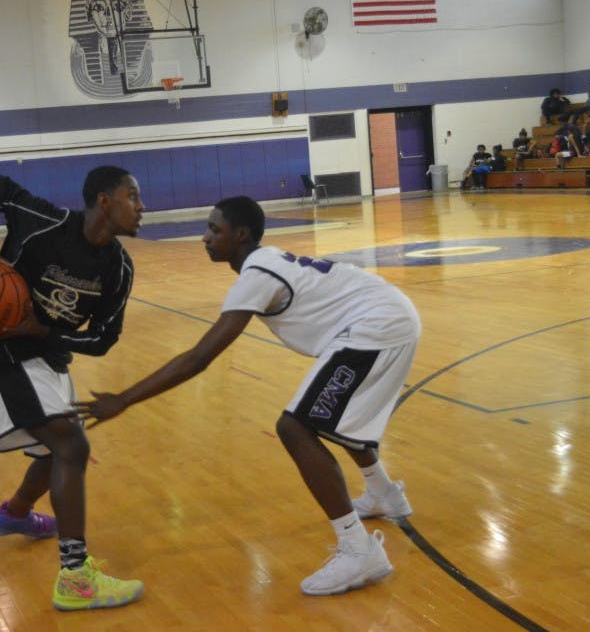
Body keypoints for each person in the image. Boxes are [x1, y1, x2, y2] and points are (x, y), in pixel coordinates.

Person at [75, 196, 421, 597]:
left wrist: (124, 399)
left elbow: (199, 358)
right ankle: (383, 493)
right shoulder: (266, 260)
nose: (205, 238)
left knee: (295, 427)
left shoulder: (257, 274)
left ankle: (358, 549)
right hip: (387, 317)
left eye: (214, 230)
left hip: (376, 327)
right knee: (331, 414)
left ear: (240, 235)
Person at [0, 166, 146, 611]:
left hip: (50, 357)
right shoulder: (41, 220)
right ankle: (75, 578)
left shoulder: (119, 267)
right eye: (133, 196)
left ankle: (16, 513)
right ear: (104, 201)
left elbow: (102, 339)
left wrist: (43, 331)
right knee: (72, 446)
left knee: (54, 453)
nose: (141, 207)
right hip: (7, 351)